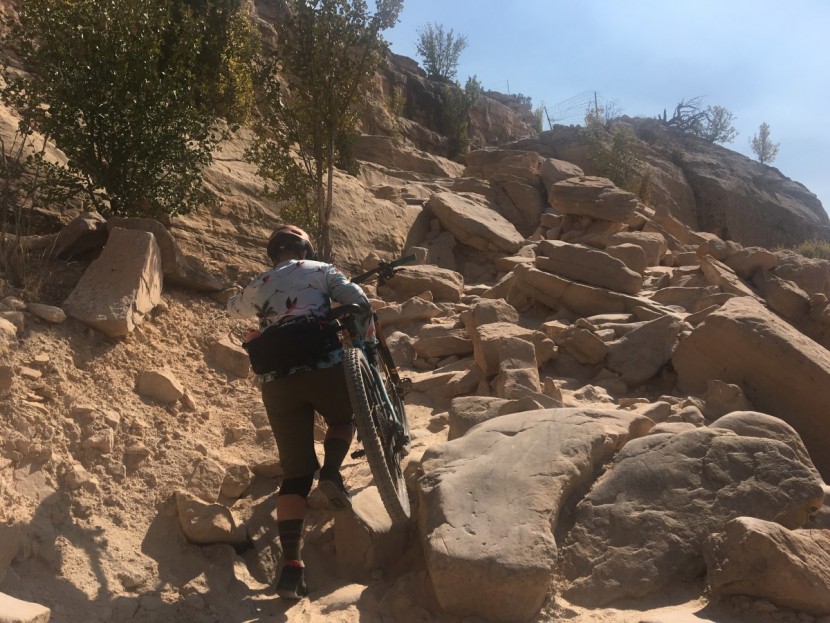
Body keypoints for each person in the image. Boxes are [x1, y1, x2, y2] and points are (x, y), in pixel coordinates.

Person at [226, 224, 372, 599]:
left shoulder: (259, 283)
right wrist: (364, 335)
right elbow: (356, 299)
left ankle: (291, 567)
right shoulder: (322, 270)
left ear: (272, 254)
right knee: (344, 418)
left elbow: (233, 312)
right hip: (325, 366)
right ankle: (334, 473)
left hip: (277, 382)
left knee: (294, 474)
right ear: (304, 249)